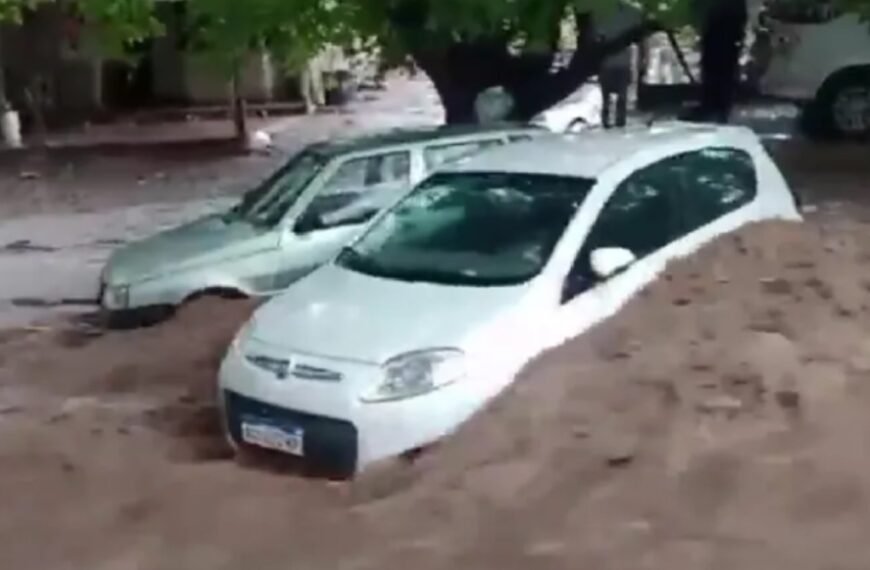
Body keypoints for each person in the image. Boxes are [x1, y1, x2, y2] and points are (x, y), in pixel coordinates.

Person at [681, 0, 749, 123]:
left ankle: (717, 106)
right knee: (715, 56)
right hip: (724, 11)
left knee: (720, 57)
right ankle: (715, 105)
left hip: (725, 11)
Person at [599, 45, 633, 128]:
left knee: (606, 97)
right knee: (622, 96)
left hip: (608, 67)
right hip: (621, 67)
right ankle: (620, 121)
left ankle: (606, 120)